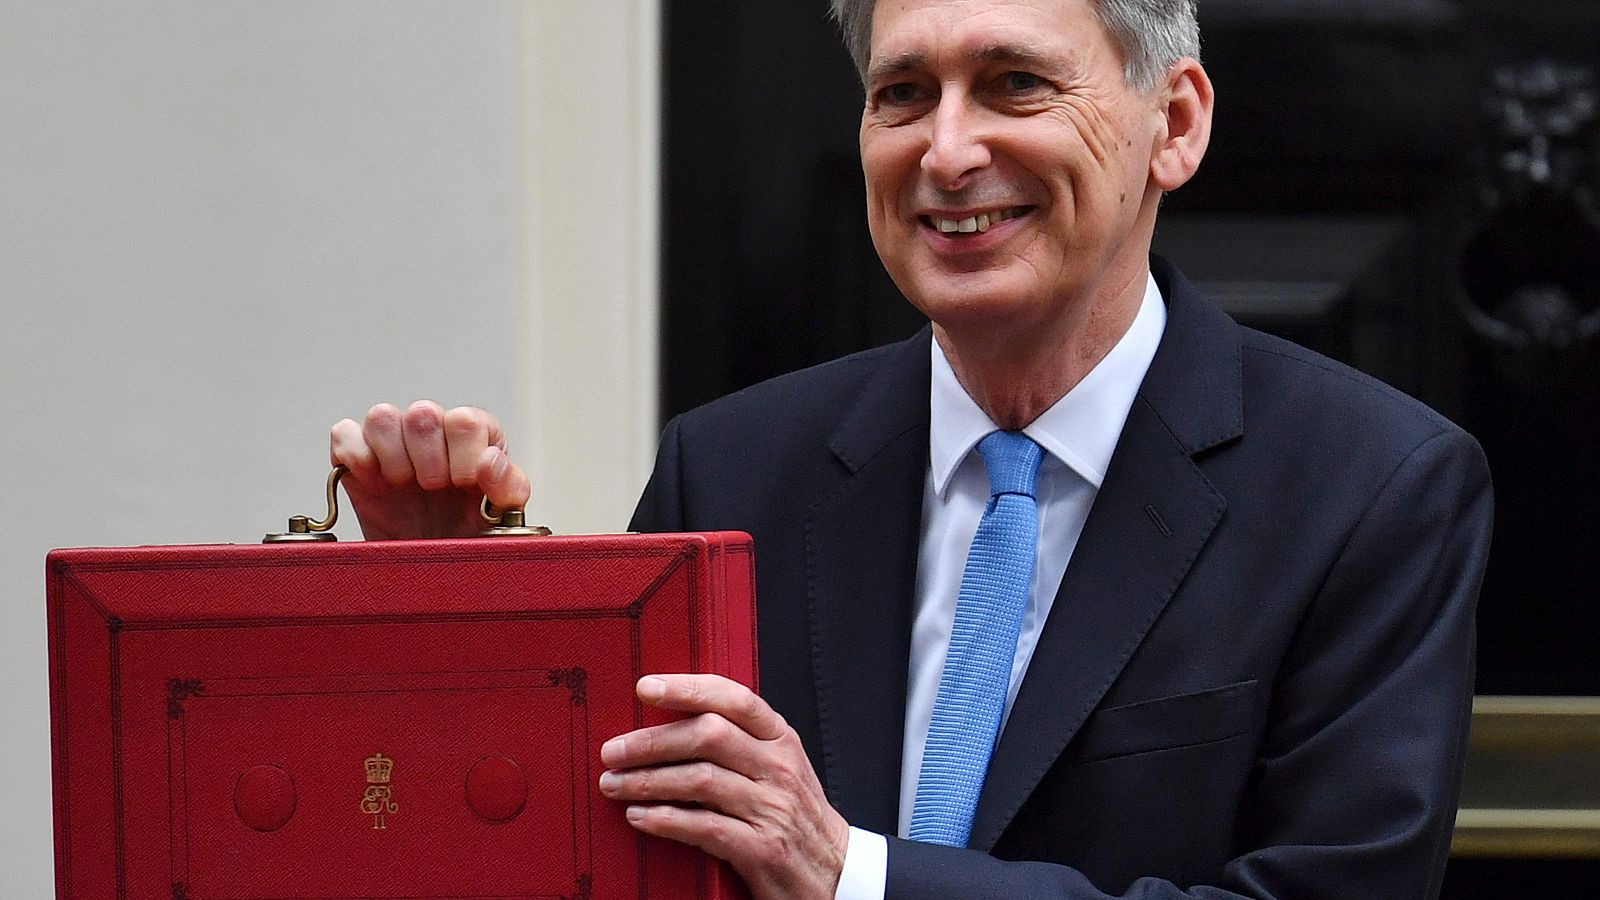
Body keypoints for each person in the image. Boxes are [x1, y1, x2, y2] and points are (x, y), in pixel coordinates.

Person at [329, 1, 1493, 897]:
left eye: (1013, 85)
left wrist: (852, 877)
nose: (944, 152)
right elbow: (592, 855)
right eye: (901, 94)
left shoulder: (1370, 489)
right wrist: (450, 616)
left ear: (1173, 126)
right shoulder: (733, 469)